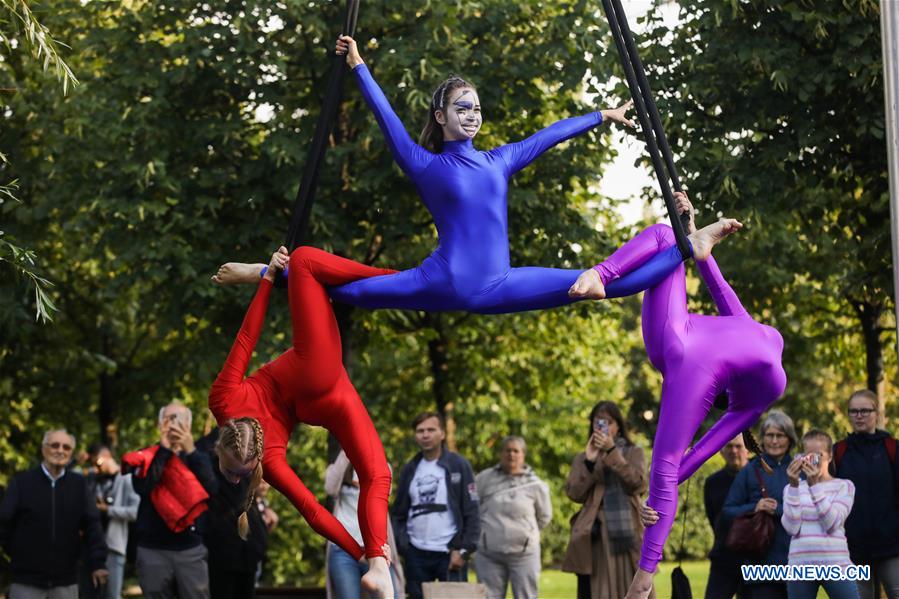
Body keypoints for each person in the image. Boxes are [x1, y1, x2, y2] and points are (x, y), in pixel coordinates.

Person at [329, 35, 715, 314]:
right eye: (462, 108)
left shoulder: (498, 160)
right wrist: (358, 65)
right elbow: (388, 120)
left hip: (500, 283)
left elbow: (548, 135)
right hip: (441, 279)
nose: (472, 115)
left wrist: (601, 115)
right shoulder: (426, 165)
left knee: (595, 285)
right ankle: (282, 274)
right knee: (355, 293)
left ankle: (687, 249)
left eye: (476, 109)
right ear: (440, 116)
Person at [609, 192, 786, 599]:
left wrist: (657, 497)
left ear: (719, 392)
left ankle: (643, 577)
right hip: (675, 336)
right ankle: (601, 275)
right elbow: (715, 281)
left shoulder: (746, 394)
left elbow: (687, 459)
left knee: (661, 237)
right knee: (665, 236)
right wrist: (691, 230)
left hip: (681, 350)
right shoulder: (750, 376)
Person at [209, 246, 398, 598]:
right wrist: (265, 279)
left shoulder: (267, 457)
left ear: (223, 446)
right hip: (312, 376)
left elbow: (313, 512)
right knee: (304, 260)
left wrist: (360, 552)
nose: (236, 478)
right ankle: (399, 278)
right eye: (240, 474)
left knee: (377, 475)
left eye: (233, 472)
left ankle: (378, 565)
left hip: (322, 401)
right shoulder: (221, 402)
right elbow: (247, 339)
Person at [0, 429, 109, 599]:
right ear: (44, 449)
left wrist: (98, 562)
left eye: (66, 447)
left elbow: (92, 525)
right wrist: (18, 554)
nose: (60, 450)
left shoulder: (79, 485)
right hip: (26, 581)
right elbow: (4, 522)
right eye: (55, 445)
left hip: (66, 581)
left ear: (71, 453)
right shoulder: (22, 483)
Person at [126, 402, 217, 599]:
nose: (174, 424)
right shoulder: (147, 455)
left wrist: (191, 450)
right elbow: (143, 487)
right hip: (152, 548)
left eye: (180, 419)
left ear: (189, 426)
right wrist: (164, 450)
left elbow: (212, 490)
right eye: (169, 419)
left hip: (190, 547)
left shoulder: (199, 455)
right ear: (160, 425)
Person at [562, 401, 651, 599]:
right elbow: (574, 494)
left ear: (618, 426)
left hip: (628, 531)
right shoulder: (583, 457)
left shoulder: (633, 452)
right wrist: (590, 462)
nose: (602, 426)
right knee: (595, 590)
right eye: (597, 422)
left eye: (608, 422)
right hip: (594, 535)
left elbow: (638, 485)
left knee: (633, 586)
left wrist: (612, 453)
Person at [392, 412, 480, 599]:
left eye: (431, 430)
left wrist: (463, 551)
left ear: (442, 433)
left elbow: (472, 512)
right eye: (420, 431)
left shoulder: (458, 465)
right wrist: (404, 547)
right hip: (416, 554)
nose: (425, 435)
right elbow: (398, 513)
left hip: (449, 552)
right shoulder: (410, 469)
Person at [722, 411, 798, 599]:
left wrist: (779, 509)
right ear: (762, 439)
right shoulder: (750, 470)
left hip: (796, 564)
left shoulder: (800, 469)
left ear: (789, 439)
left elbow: (812, 511)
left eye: (779, 435)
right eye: (769, 435)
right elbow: (728, 511)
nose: (773, 441)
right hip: (760, 567)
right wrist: (755, 508)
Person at [833, 389, 899, 599]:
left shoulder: (892, 448)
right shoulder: (838, 451)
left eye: (864, 411)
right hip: (852, 548)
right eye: (854, 411)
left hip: (892, 546)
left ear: (876, 413)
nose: (859, 416)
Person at [195, 421, 269, 599]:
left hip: (249, 545)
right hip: (220, 546)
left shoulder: (251, 443)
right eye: (230, 472)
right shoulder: (205, 451)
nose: (236, 479)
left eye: (242, 473)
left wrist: (263, 504)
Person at [782, 430, 857, 599]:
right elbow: (792, 528)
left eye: (818, 456)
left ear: (830, 456)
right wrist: (794, 486)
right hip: (800, 566)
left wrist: (814, 486)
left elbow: (832, 523)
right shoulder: (791, 488)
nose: (812, 461)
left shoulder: (844, 486)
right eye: (808, 456)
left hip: (836, 564)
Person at [474, 435, 552, 599]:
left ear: (523, 455)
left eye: (516, 451)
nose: (512, 455)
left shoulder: (535, 484)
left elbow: (544, 517)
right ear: (500, 454)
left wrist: (525, 534)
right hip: (489, 554)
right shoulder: (484, 478)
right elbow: (473, 509)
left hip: (524, 555)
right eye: (507, 450)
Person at [324, 449, 405, 599]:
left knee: (386, 594)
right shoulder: (340, 469)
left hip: (375, 548)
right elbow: (330, 488)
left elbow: (384, 495)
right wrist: (345, 453)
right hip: (343, 550)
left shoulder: (383, 467)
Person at [81, 444, 141, 599]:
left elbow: (136, 511)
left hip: (113, 547)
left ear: (107, 456)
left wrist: (108, 510)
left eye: (98, 463)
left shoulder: (126, 479)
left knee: (111, 595)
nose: (96, 468)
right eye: (93, 464)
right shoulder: (93, 480)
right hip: (91, 547)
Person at [703, 435, 750, 599]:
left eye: (738, 446)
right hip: (723, 557)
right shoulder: (712, 482)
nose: (734, 451)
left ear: (748, 450)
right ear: (721, 451)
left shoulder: (760, 478)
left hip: (753, 559)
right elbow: (713, 517)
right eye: (729, 447)